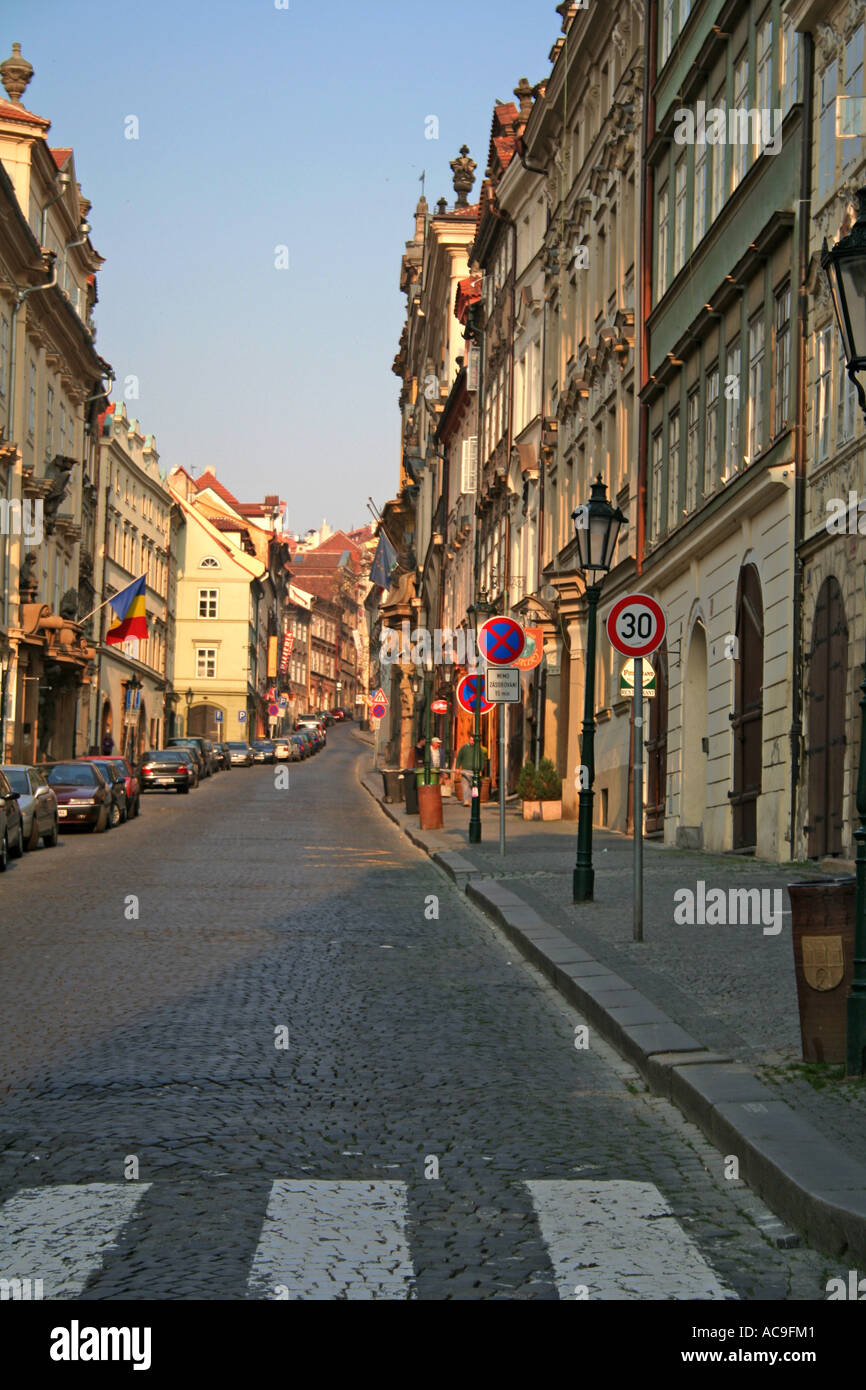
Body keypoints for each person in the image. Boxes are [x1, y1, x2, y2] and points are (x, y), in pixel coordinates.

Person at [455, 737, 488, 807]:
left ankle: (472, 800)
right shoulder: (464, 748)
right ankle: (466, 801)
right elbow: (459, 757)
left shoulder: (478, 749)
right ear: (469, 740)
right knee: (465, 786)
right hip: (465, 770)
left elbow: (482, 759)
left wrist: (480, 769)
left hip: (474, 771)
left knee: (473, 786)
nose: (472, 742)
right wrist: (457, 767)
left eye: (473, 740)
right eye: (471, 740)